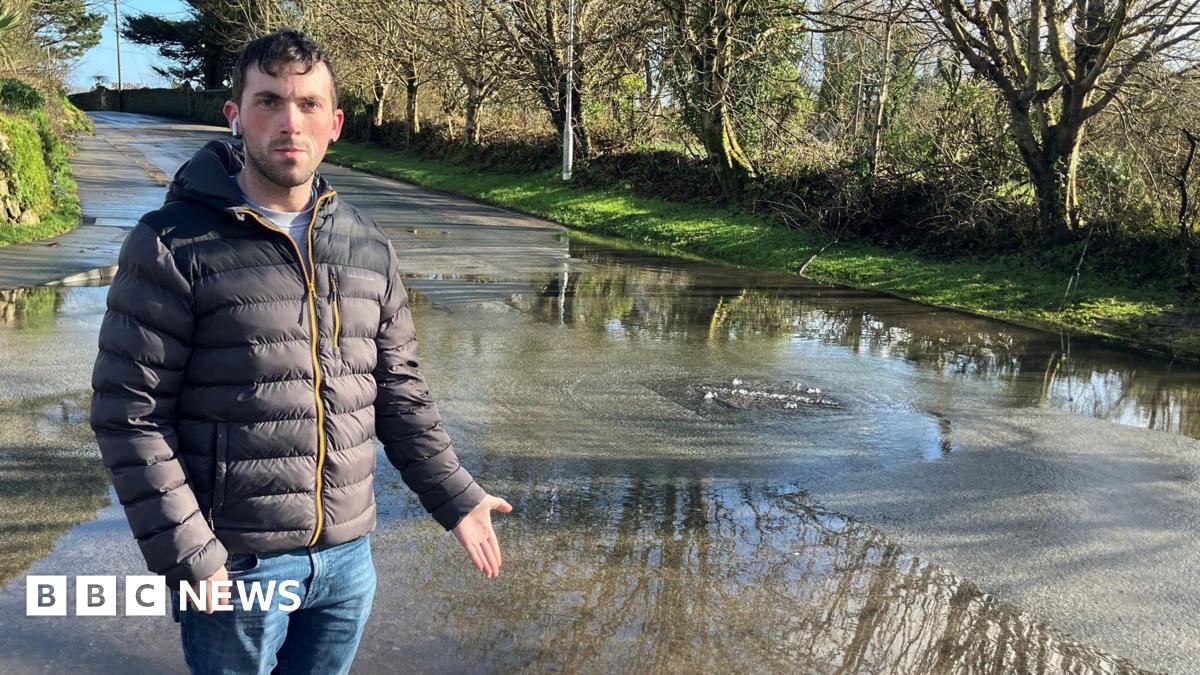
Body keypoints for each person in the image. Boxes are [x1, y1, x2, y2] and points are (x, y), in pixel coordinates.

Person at [88, 29, 512, 674]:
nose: (290, 122)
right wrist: (191, 553)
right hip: (235, 564)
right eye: (269, 102)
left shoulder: (367, 244)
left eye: (309, 104)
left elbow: (397, 389)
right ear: (235, 116)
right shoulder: (170, 245)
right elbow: (130, 413)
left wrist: (457, 496)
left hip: (346, 562)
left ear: (335, 122)